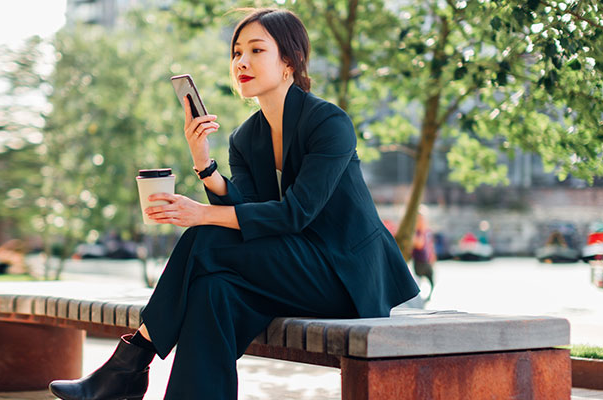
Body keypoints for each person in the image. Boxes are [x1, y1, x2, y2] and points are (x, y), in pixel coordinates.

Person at [48, 8, 419, 400]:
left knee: (204, 235)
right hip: (289, 266)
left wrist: (201, 213)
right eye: (236, 53)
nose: (241, 61)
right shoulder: (246, 138)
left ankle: (129, 364)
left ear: (289, 61)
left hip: (343, 276)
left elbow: (295, 214)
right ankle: (137, 375)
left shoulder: (329, 123)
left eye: (256, 50)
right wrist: (203, 162)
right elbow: (247, 210)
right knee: (213, 291)